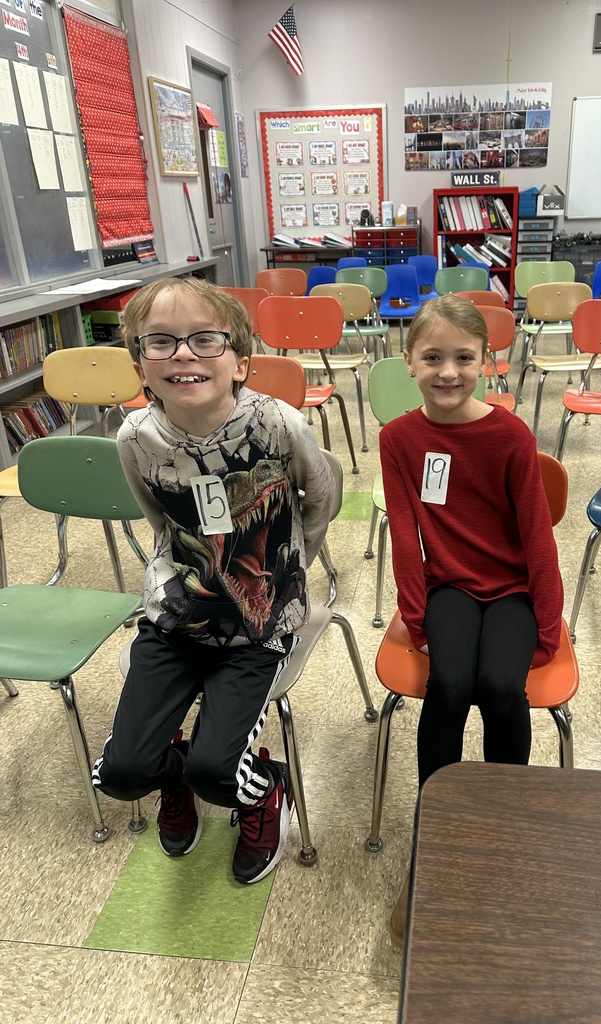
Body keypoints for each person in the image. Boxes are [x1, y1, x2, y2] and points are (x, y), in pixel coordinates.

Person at [92, 276, 334, 885]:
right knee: (120, 774)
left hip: (258, 627)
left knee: (219, 772)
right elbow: (160, 523)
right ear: (141, 366)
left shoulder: (277, 424)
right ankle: (174, 779)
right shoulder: (135, 438)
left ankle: (264, 792)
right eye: (161, 343)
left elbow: (321, 496)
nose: (183, 354)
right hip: (176, 619)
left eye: (205, 340)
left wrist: (291, 566)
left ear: (240, 362)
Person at [379, 294, 563, 945]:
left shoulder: (509, 436)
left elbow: (537, 535)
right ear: (409, 361)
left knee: (499, 688)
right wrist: (416, 616)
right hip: (451, 588)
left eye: (463, 357)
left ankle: (501, 814)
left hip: (511, 590)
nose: (449, 371)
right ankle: (439, 823)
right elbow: (405, 534)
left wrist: (547, 624)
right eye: (433, 357)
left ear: (488, 360)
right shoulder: (398, 439)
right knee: (450, 686)